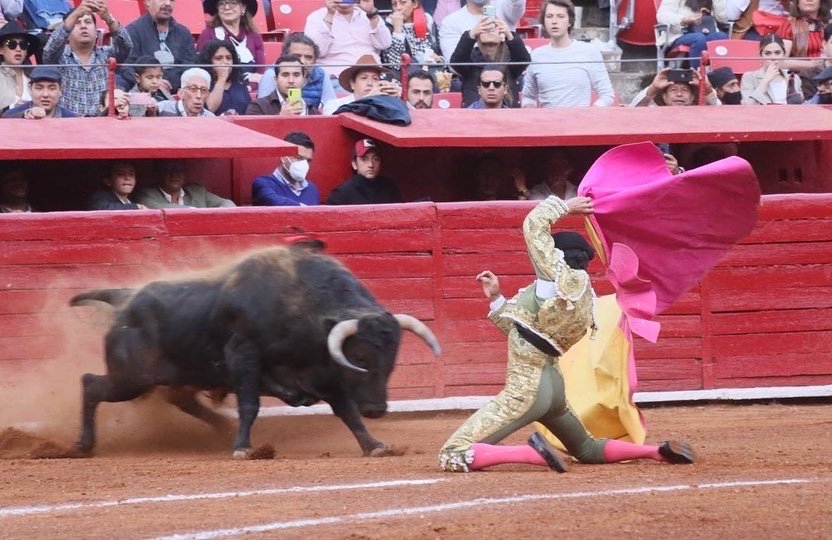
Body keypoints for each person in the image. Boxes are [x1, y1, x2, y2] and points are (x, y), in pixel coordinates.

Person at [438, 196, 695, 473]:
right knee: (586, 447)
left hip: (527, 388)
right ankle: (655, 452)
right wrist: (497, 299)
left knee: (453, 452)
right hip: (553, 389)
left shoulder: (551, 281)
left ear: (556, 254)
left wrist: (567, 207)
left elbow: (534, 224)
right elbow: (527, 334)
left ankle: (532, 453)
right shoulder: (585, 299)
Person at [42, 0, 132, 116]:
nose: (83, 26)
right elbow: (49, 51)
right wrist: (75, 14)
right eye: (77, 22)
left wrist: (108, 18)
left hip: (103, 123)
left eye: (88, 22)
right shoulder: (59, 58)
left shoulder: (107, 55)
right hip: (67, 123)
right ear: (67, 34)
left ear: (96, 32)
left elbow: (127, 46)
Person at [522, 0, 615, 108]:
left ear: (570, 21)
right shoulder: (537, 56)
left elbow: (607, 95)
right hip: (547, 118)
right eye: (549, 16)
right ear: (544, 21)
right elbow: (528, 96)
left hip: (580, 117)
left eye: (560, 16)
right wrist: (531, 112)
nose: (554, 21)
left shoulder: (589, 52)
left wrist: (589, 114)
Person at [450, 15, 529, 107]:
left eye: (494, 28)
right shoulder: (470, 59)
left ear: (501, 34)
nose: (490, 31)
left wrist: (509, 35)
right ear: (478, 34)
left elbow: (523, 60)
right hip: (475, 113)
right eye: (485, 28)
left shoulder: (510, 59)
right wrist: (471, 34)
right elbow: (456, 62)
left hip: (508, 113)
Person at [118, 0, 197, 92]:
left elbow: (191, 67)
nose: (167, 3)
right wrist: (153, 81)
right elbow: (127, 67)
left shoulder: (184, 33)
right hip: (144, 92)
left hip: (179, 91)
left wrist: (170, 82)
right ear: (148, 2)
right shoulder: (133, 31)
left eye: (172, 0)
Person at [304, 0, 392, 79]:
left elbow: (384, 44)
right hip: (335, 79)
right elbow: (318, 52)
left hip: (373, 77)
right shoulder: (316, 17)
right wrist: (330, 15)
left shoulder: (368, 14)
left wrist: (372, 14)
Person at [256, 32, 336, 112]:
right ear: (284, 56)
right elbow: (263, 110)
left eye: (308, 57)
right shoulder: (271, 74)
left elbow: (332, 108)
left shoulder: (321, 75)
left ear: (315, 61)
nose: (303, 62)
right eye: (297, 56)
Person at [197, 0, 264, 85]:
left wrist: (250, 87)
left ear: (243, 8)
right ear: (217, 9)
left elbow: (259, 73)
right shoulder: (208, 34)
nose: (227, 7)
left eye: (233, 3)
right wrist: (244, 80)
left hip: (252, 88)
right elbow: (204, 70)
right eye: (222, 3)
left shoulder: (255, 37)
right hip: (219, 87)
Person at [438, 0, 527, 60]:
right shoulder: (450, 22)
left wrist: (508, 35)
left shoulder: (505, 8)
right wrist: (471, 36)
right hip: (471, 77)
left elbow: (517, 4)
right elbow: (454, 64)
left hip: (507, 75)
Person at [251, 131, 320, 206]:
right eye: (299, 158)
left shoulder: (311, 188)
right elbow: (271, 199)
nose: (304, 164)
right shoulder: (264, 183)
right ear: (283, 157)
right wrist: (304, 209)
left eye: (308, 160)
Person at [327, 138, 402, 205]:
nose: (371, 164)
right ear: (354, 164)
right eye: (364, 159)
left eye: (375, 159)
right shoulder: (341, 194)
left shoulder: (389, 188)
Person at [656, 0, 729, 68]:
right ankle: (697, 73)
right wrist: (684, 20)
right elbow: (662, 16)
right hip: (680, 34)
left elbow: (723, 19)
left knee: (721, 37)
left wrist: (718, 2)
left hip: (708, 32)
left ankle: (721, 74)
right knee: (699, 38)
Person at [135, 160, 236, 208]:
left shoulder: (197, 191)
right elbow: (154, 208)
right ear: (159, 173)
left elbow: (227, 203)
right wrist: (193, 212)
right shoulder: (146, 194)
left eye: (179, 170)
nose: (175, 174)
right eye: (169, 169)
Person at [321, 54, 400, 115]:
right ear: (352, 84)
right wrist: (366, 100)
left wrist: (400, 99)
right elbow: (332, 120)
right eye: (364, 78)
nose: (370, 83)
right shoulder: (334, 104)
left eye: (375, 79)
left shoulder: (385, 105)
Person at [382, 0, 442, 73]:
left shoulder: (428, 21)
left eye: (403, 2)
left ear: (415, 4)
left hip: (432, 71)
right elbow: (395, 64)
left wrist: (438, 59)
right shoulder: (388, 26)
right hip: (406, 74)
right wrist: (397, 29)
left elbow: (439, 52)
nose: (398, 8)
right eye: (394, 4)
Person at [741, 34, 804, 104]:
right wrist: (765, 81)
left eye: (777, 53)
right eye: (767, 53)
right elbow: (747, 105)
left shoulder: (794, 78)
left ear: (784, 54)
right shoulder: (749, 77)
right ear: (760, 56)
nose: (773, 57)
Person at [246, 53, 311, 115]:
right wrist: (281, 117)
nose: (291, 80)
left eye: (296, 75)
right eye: (285, 75)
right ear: (276, 79)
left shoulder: (311, 109)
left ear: (303, 78)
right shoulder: (257, 107)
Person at [198, 39, 251, 116]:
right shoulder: (202, 85)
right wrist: (222, 78)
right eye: (219, 58)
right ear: (209, 61)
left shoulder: (240, 86)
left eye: (228, 58)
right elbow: (210, 109)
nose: (225, 62)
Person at [2, 66, 78, 117]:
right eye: (39, 88)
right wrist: (26, 114)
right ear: (30, 89)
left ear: (61, 90)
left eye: (52, 88)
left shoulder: (72, 119)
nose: (45, 94)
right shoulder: (12, 115)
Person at [0, 21, 39, 113]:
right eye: (11, 44)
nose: (18, 49)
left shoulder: (35, 76)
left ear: (26, 51)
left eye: (23, 45)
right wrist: (12, 108)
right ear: (1, 50)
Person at [630, 67, 721, 106]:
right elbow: (633, 112)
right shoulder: (655, 113)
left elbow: (720, 114)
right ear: (665, 97)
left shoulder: (701, 114)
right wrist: (654, 87)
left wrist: (707, 89)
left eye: (684, 90)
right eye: (673, 90)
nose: (679, 94)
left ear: (692, 98)